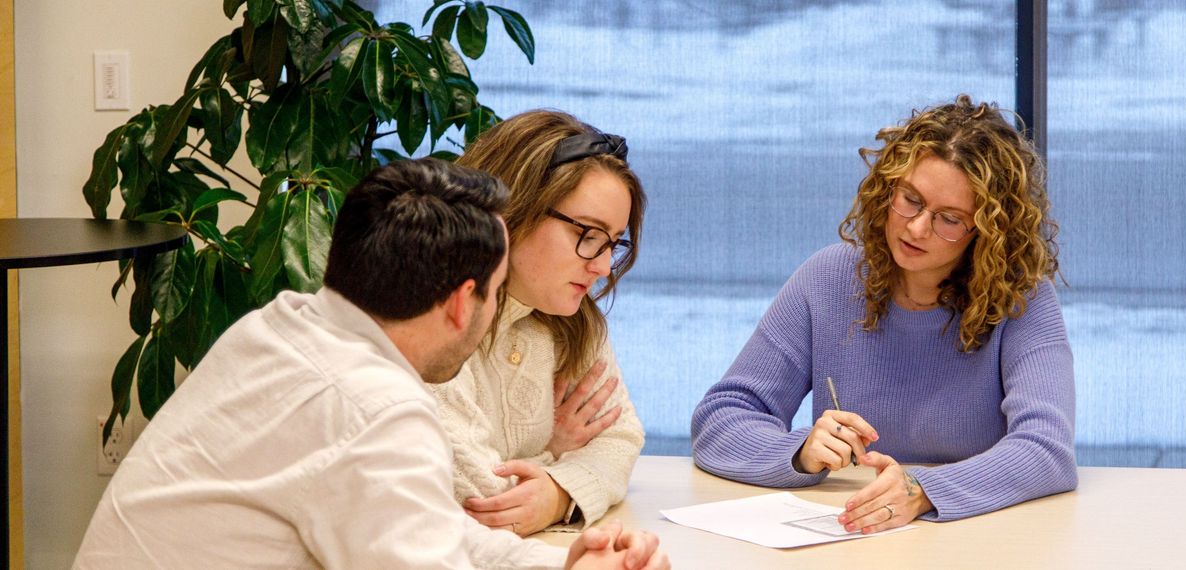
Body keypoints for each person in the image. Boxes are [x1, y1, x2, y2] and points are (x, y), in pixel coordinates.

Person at [75, 158, 667, 569]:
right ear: (464, 302)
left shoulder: (279, 328)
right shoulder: (377, 411)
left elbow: (430, 528)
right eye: (496, 289)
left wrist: (558, 562)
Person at [690, 95, 1076, 532]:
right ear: (887, 186)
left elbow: (1047, 450)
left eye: (948, 219)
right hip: (850, 536)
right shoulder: (829, 278)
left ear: (987, 233)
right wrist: (799, 452)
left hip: (974, 539)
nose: (916, 227)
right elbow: (720, 419)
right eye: (910, 199)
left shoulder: (1022, 298)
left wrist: (923, 490)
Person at [430, 110, 647, 536]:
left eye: (612, 243)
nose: (603, 266)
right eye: (587, 233)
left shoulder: (573, 318)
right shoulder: (432, 316)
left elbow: (620, 439)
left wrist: (558, 493)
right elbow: (482, 504)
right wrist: (554, 456)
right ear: (514, 207)